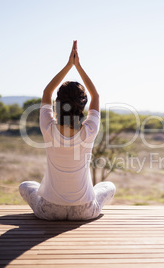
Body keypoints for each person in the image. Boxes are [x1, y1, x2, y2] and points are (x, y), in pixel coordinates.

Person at [19, 40, 116, 220]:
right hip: (84, 210)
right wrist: (78, 66)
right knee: (109, 186)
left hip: (50, 210)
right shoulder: (90, 130)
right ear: (83, 106)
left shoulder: (48, 126)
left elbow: (47, 91)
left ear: (58, 104)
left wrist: (68, 66)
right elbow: (96, 95)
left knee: (25, 185)